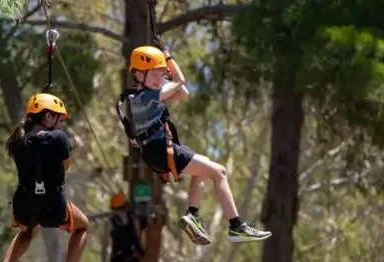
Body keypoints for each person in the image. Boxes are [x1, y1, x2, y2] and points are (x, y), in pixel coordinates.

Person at [117, 43, 272, 245]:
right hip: (161, 150)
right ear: (138, 75)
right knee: (219, 172)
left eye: (161, 74)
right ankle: (236, 226)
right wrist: (169, 57)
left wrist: (165, 70)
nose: (158, 79)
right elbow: (181, 81)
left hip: (160, 151)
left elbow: (182, 94)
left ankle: (193, 215)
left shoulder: (146, 97)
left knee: (203, 166)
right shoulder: (141, 97)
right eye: (153, 74)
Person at [0, 93, 90, 262]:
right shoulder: (59, 138)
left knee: (27, 232)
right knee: (82, 226)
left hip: (24, 202)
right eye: (58, 118)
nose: (60, 123)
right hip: (52, 203)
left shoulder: (18, 140)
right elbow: (66, 165)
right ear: (47, 117)